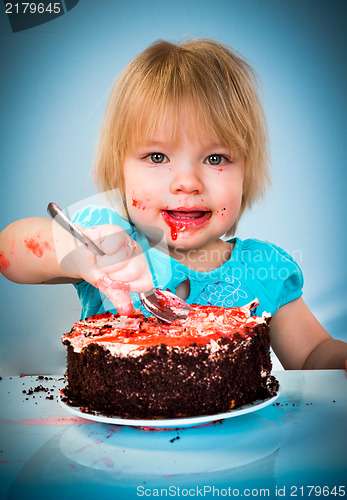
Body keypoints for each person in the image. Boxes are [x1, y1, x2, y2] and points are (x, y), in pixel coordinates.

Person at [1, 39, 346, 370]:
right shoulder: (109, 247)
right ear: (120, 170)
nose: (187, 183)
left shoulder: (263, 268)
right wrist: (80, 252)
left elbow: (313, 354)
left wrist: (336, 359)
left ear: (246, 173)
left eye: (215, 158)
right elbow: (10, 254)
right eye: (157, 156)